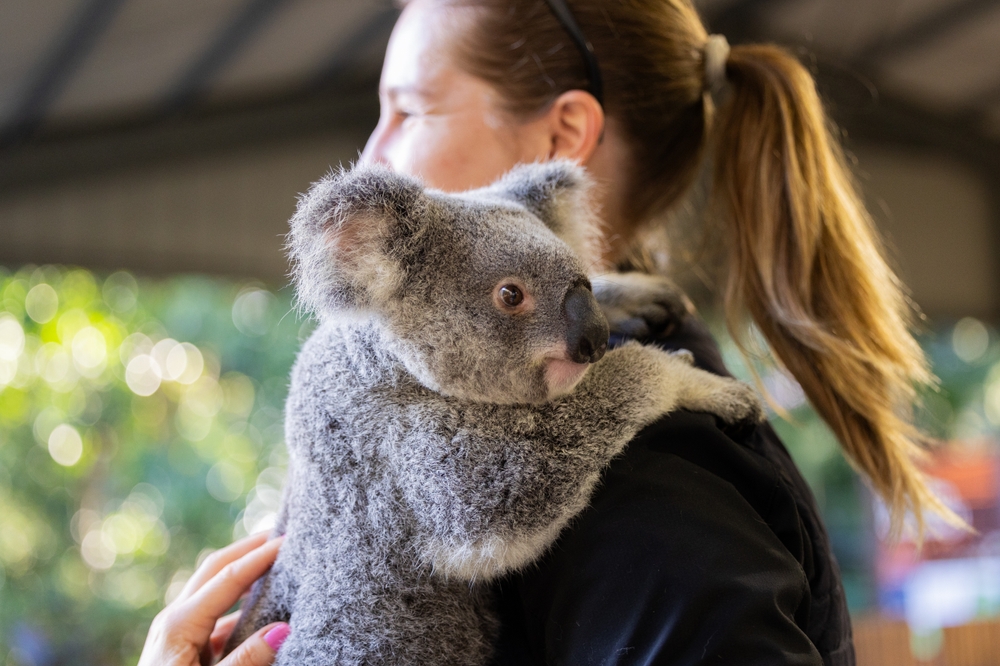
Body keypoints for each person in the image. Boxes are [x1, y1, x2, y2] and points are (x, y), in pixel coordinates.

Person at [141, 0, 959, 663]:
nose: (373, 153)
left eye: (409, 109)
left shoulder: (641, 462)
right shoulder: (459, 395)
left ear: (563, 139)